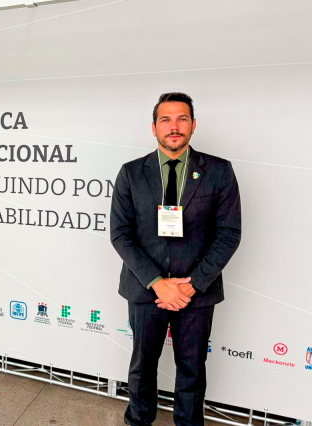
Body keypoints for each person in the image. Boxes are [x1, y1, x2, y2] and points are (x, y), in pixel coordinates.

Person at [110, 92, 242, 426]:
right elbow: (120, 234)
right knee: (142, 368)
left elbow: (228, 234)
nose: (174, 126)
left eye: (182, 119)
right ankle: (138, 421)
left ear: (193, 125)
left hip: (196, 293)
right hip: (145, 290)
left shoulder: (218, 171)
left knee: (192, 370)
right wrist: (158, 283)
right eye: (165, 119)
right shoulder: (131, 173)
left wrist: (191, 285)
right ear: (154, 127)